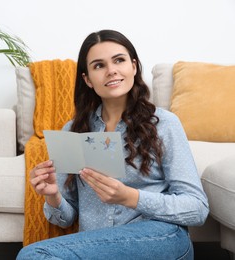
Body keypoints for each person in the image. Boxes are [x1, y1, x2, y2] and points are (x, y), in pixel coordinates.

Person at [16, 30, 209, 260]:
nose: (111, 70)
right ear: (87, 79)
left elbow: (197, 209)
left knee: (34, 255)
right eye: (99, 65)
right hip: (100, 245)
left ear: (134, 66)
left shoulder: (164, 124)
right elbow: (65, 218)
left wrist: (129, 197)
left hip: (160, 236)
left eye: (119, 60)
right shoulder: (73, 132)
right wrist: (53, 195)